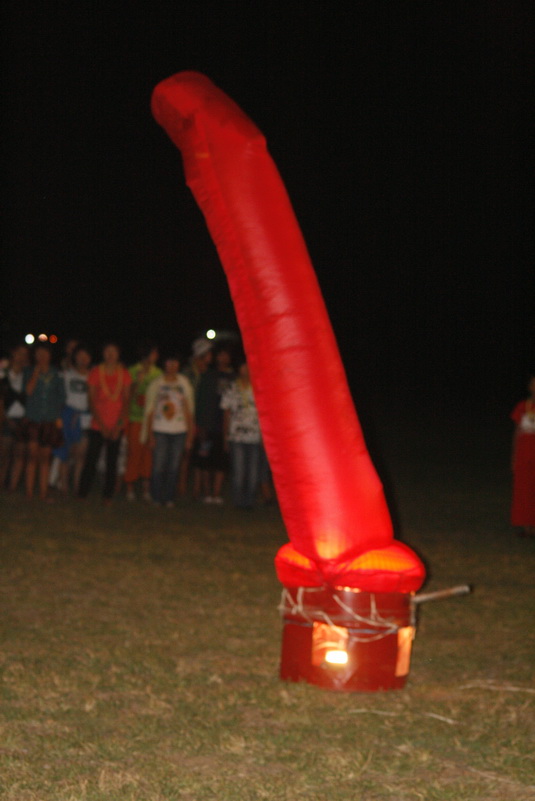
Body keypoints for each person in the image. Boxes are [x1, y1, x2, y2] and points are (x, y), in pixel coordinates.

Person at [78, 342, 131, 503]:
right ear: (103, 353)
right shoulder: (96, 372)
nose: (110, 355)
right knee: (91, 459)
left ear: (118, 354)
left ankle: (108, 495)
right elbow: (91, 400)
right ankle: (82, 493)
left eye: (113, 351)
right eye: (107, 351)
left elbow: (126, 401)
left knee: (112, 461)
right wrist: (101, 425)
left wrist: (118, 425)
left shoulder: (124, 374)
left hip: (117, 425)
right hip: (98, 424)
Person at [142, 352, 194, 507]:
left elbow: (189, 410)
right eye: (169, 362)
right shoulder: (156, 384)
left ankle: (169, 497)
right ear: (164, 364)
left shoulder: (184, 384)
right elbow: (150, 410)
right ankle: (157, 497)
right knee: (158, 465)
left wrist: (190, 435)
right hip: (160, 430)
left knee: (174, 466)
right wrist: (150, 434)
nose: (172, 366)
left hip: (179, 431)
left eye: (175, 362)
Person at [23, 342, 65, 501]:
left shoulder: (56, 374)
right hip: (33, 419)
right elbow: (28, 391)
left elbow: (62, 397)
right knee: (32, 456)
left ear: (50, 355)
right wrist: (35, 374)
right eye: (39, 353)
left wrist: (55, 415)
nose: (42, 357)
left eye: (45, 353)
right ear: (34, 355)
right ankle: (29, 492)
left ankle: (43, 492)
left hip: (49, 420)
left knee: (45, 458)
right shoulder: (28, 371)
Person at [196, 345, 235, 504]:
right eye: (220, 355)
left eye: (226, 355)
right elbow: (200, 401)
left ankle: (217, 493)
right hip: (208, 426)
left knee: (221, 461)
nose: (223, 358)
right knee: (205, 461)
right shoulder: (208, 376)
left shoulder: (233, 378)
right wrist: (200, 424)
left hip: (225, 427)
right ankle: (207, 493)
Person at [221, 360, 262, 509]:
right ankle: (238, 501)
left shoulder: (259, 387)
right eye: (244, 366)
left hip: (255, 436)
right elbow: (226, 413)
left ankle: (249, 501)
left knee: (253, 472)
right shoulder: (232, 387)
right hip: (236, 436)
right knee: (238, 470)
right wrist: (225, 436)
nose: (247, 369)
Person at [124, 343, 161, 501]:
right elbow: (127, 396)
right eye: (154, 353)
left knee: (148, 455)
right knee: (134, 453)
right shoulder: (132, 371)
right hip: (135, 418)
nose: (156, 356)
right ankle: (130, 487)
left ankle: (146, 489)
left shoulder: (158, 373)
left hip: (151, 420)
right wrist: (137, 382)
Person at [54, 343, 92, 494]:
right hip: (68, 415)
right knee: (65, 452)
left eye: (86, 356)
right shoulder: (66, 374)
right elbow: (58, 397)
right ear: (75, 358)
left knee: (81, 454)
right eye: (80, 356)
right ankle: (64, 485)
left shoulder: (93, 376)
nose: (83, 359)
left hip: (85, 417)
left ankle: (77, 486)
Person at [180, 336, 213, 496]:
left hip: (202, 419)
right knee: (185, 454)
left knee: (201, 453)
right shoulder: (188, 373)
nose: (211, 356)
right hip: (187, 418)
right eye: (208, 353)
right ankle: (181, 485)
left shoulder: (207, 373)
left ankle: (199, 488)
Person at [0, 343, 30, 491]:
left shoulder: (27, 375)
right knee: (4, 454)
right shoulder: (3, 373)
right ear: (13, 353)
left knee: (18, 454)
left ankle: (12, 486)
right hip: (6, 418)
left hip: (23, 418)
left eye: (25, 354)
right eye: (19, 353)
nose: (21, 357)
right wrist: (5, 418)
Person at [510, 371, 535, 537]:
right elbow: (517, 432)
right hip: (524, 453)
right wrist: (513, 457)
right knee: (523, 490)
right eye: (533, 384)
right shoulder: (522, 406)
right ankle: (525, 526)